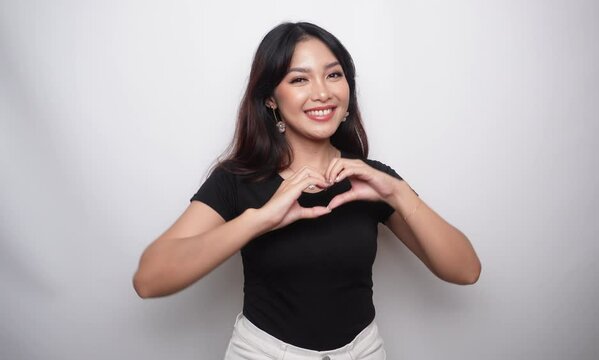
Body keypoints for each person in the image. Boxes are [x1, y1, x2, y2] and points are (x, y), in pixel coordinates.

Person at [133, 22, 481, 360]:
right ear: (270, 98)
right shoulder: (237, 180)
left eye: (334, 74)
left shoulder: (373, 180)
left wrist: (397, 193)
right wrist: (260, 220)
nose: (322, 92)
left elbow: (465, 271)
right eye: (299, 79)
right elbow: (149, 280)